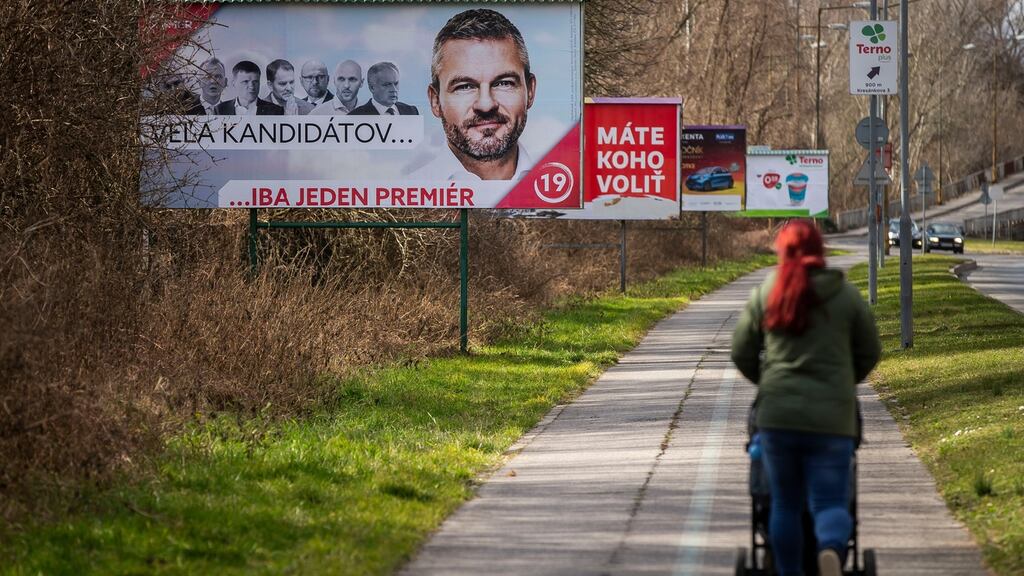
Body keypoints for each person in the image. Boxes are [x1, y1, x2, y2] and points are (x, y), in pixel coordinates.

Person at [731, 220, 881, 576]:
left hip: (778, 416)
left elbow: (741, 351)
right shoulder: (845, 296)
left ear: (782, 251)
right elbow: (870, 350)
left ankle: (789, 571)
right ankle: (829, 550)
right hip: (832, 419)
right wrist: (844, 383)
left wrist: (766, 381)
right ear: (821, 250)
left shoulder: (768, 291)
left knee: (783, 504)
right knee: (830, 501)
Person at [415, 8, 536, 181]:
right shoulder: (411, 191)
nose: (486, 105)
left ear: (530, 91)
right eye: (464, 86)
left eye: (504, 83)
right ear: (435, 101)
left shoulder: (563, 184)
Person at [348, 62, 418, 116]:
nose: (394, 89)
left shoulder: (411, 111)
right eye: (387, 85)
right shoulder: (355, 116)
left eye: (396, 83)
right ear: (372, 88)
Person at [215, 61, 283, 115]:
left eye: (255, 82)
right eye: (245, 81)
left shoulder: (276, 111)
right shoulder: (220, 109)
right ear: (234, 83)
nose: (251, 86)